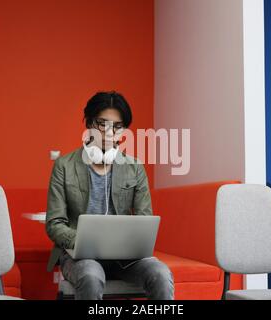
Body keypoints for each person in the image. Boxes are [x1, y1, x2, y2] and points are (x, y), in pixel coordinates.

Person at [45, 91, 174, 300]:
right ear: (88, 123)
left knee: (160, 273)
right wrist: (85, 240)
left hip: (125, 258)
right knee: (91, 275)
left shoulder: (134, 167)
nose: (108, 132)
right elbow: (54, 223)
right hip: (79, 256)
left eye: (117, 126)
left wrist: (127, 243)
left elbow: (144, 219)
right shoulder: (64, 166)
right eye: (101, 123)